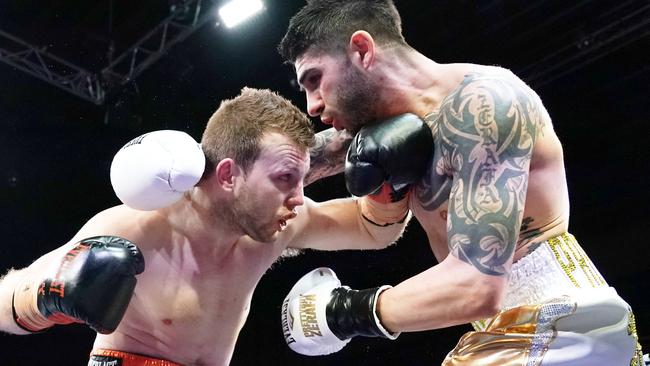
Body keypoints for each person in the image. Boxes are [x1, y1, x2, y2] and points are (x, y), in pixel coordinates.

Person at [277, 1, 645, 365]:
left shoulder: (484, 105)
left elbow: (475, 285)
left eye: (314, 79)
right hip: (499, 332)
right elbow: (283, 168)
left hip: (566, 323)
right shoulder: (383, 133)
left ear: (362, 50)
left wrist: (344, 313)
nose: (311, 105)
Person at [0, 87, 434, 366]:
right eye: (285, 178)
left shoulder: (279, 223)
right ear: (228, 175)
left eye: (301, 179)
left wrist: (386, 187)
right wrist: (43, 295)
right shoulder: (134, 229)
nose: (300, 196)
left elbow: (372, 228)